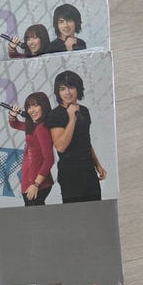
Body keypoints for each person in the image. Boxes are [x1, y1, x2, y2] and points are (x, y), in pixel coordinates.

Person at [46, 70, 107, 203]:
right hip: (70, 172)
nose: (67, 92)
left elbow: (86, 141)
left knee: (96, 208)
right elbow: (60, 147)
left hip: (88, 169)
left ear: (78, 89)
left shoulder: (84, 110)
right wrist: (72, 118)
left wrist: (97, 165)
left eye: (71, 87)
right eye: (62, 89)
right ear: (58, 92)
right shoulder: (55, 115)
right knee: (76, 212)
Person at [8, 92, 55, 206]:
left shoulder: (41, 129)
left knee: (34, 216)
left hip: (36, 184)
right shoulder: (34, 126)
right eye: (29, 107)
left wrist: (35, 184)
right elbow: (15, 124)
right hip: (31, 181)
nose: (31, 110)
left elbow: (49, 160)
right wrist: (12, 115)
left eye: (35, 105)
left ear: (44, 106)